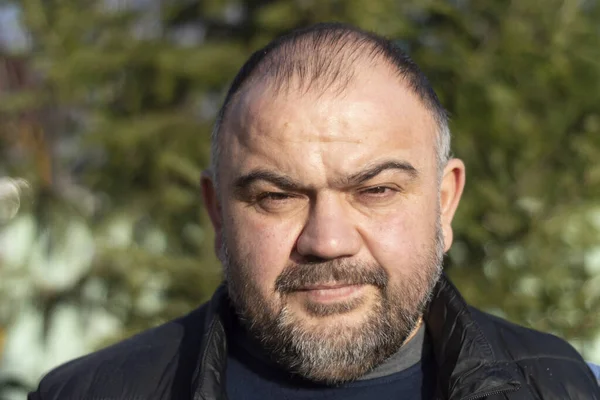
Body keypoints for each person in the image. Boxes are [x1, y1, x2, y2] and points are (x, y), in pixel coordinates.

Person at [28, 22, 600, 400]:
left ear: (445, 202)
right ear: (218, 216)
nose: (327, 241)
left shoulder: (557, 385)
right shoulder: (93, 392)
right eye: (276, 197)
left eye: (376, 191)